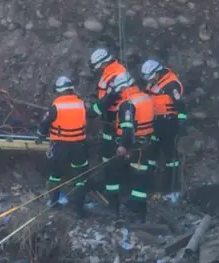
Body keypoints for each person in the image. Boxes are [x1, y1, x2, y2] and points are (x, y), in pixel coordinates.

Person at [95, 72, 154, 222]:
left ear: (122, 88)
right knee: (140, 179)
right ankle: (140, 215)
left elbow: (128, 129)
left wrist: (123, 146)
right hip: (146, 142)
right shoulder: (145, 97)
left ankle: (113, 208)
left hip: (132, 145)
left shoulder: (127, 104)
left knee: (112, 173)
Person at [37, 76, 89, 217]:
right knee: (81, 177)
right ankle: (79, 210)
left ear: (59, 91)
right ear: (71, 88)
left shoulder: (56, 106)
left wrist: (40, 135)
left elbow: (44, 124)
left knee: (55, 175)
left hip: (60, 146)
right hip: (79, 145)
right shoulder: (81, 104)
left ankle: (54, 204)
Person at [140, 59, 187, 199]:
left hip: (168, 123)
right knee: (151, 155)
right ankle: (149, 186)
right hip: (155, 123)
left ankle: (172, 188)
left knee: (170, 156)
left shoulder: (171, 84)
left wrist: (180, 121)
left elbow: (180, 104)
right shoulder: (154, 83)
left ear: (158, 73)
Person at [87, 48, 127, 179]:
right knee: (106, 146)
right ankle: (106, 172)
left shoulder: (117, 73)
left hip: (116, 116)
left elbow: (110, 98)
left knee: (113, 148)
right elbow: (103, 94)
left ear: (103, 63)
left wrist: (93, 111)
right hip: (109, 116)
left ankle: (114, 176)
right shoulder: (110, 71)